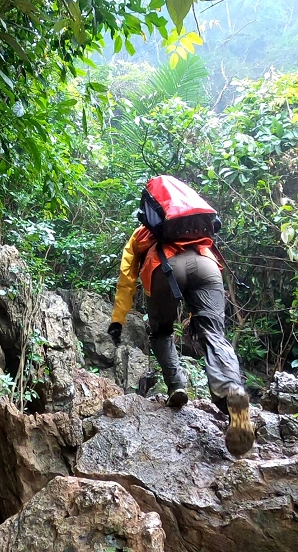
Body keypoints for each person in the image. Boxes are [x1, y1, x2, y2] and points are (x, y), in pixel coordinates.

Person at [107, 185, 255, 457]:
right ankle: (231, 388)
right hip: (206, 263)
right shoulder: (196, 223)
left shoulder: (143, 233)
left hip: (164, 268)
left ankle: (177, 386)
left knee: (161, 331)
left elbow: (127, 280)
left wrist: (118, 318)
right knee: (213, 334)